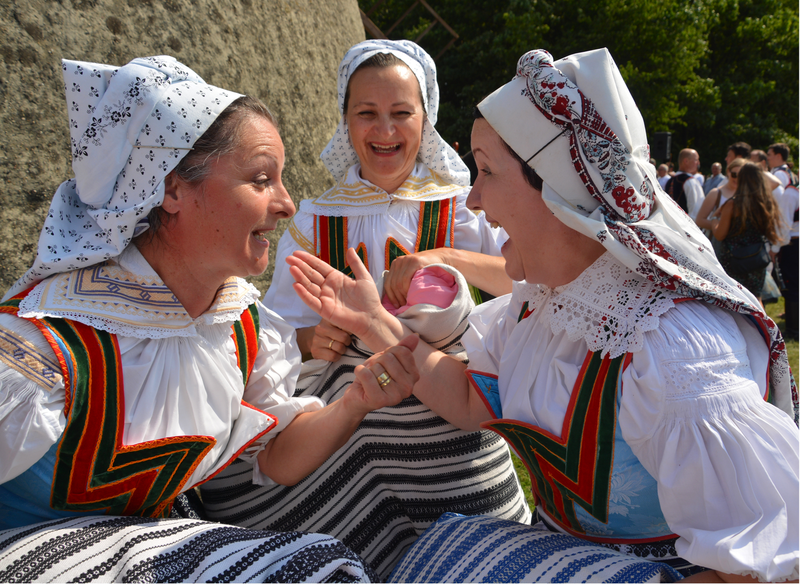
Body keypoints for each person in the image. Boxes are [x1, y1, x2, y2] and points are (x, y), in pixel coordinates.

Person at [287, 48, 799, 583]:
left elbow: (761, 563)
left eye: (486, 171)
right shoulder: (549, 305)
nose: (476, 198)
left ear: (559, 191)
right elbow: (468, 399)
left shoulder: (673, 347)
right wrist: (375, 323)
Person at [0, 55, 422, 582]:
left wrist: (355, 403)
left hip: (146, 547)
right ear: (172, 189)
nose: (287, 203)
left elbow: (276, 460)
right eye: (261, 179)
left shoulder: (239, 328)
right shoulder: (48, 346)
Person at [201, 40, 530, 580]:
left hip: (446, 417)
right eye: (367, 114)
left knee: (468, 543)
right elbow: (282, 329)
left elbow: (524, 277)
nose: (385, 130)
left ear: (425, 119)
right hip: (357, 416)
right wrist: (314, 339)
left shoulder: (463, 203)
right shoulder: (315, 219)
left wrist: (447, 258)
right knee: (364, 532)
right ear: (346, 120)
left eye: (402, 114)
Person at [663, 148, 704, 219]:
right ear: (686, 161)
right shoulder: (690, 181)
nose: (698, 163)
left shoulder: (669, 181)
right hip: (686, 227)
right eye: (696, 160)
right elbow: (695, 210)